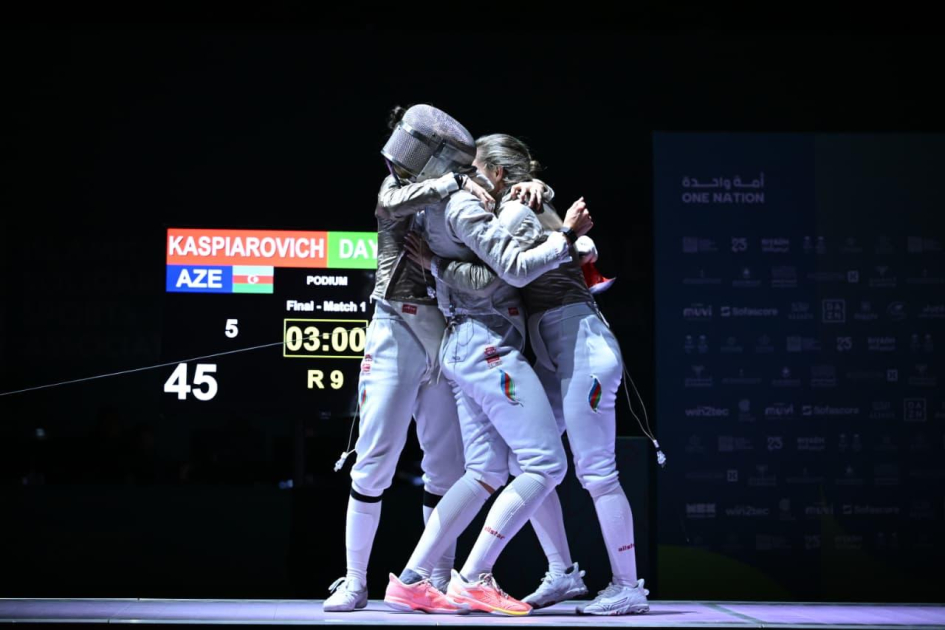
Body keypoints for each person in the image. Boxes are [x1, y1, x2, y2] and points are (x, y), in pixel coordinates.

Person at [325, 105, 586, 613]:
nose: (400, 161)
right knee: (375, 459)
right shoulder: (405, 189)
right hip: (398, 326)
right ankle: (355, 580)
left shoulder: (465, 196)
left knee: (449, 467)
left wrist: (534, 188)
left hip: (449, 333)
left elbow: (503, 211)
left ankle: (434, 582)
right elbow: (398, 202)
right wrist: (457, 186)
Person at [407, 134, 650, 615]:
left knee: (597, 472)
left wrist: (435, 263)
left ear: (498, 173)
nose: (466, 179)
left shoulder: (517, 210)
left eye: (475, 169)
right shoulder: (519, 205)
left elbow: (505, 270)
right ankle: (561, 572)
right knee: (527, 465)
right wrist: (557, 214)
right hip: (556, 351)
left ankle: (628, 586)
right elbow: (573, 244)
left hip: (582, 346)